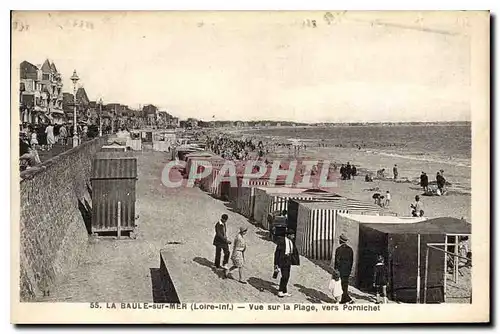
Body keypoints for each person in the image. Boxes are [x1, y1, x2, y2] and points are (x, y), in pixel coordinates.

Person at [273, 229, 300, 298]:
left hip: (288, 260)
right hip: (282, 260)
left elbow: (294, 251)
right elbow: (277, 253)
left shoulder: (291, 242)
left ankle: (284, 291)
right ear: (288, 235)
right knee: (285, 276)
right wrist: (276, 263)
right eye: (292, 235)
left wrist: (294, 260)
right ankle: (280, 291)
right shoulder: (282, 241)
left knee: (287, 276)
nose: (293, 236)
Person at [334, 233, 354, 304]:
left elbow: (337, 261)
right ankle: (345, 298)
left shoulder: (338, 250)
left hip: (340, 270)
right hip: (347, 270)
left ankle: (346, 299)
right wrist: (350, 270)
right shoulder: (350, 249)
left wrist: (336, 270)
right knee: (345, 284)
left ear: (340, 240)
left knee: (340, 285)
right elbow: (351, 261)